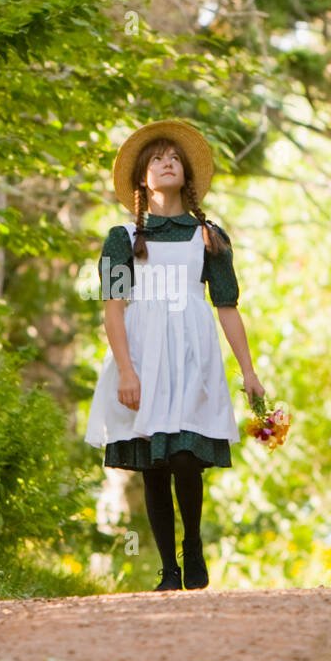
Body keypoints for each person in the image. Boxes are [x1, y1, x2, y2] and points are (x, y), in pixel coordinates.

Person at [84, 119, 266, 591]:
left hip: (193, 355)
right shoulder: (122, 236)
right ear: (143, 177)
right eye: (157, 158)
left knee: (186, 453)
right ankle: (168, 569)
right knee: (154, 460)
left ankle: (193, 543)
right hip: (142, 355)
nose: (168, 163)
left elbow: (227, 307)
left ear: (186, 176)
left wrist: (249, 372)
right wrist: (126, 370)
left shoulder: (208, 235)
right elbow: (113, 308)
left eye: (175, 158)